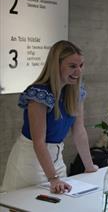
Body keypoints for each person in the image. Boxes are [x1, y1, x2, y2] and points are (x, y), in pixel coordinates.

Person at [0, 40, 98, 194]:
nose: (78, 72)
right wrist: (53, 178)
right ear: (56, 65)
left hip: (56, 160)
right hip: (30, 162)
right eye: (72, 66)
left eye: (81, 65)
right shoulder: (39, 94)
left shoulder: (76, 92)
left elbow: (79, 132)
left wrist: (89, 167)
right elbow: (39, 141)